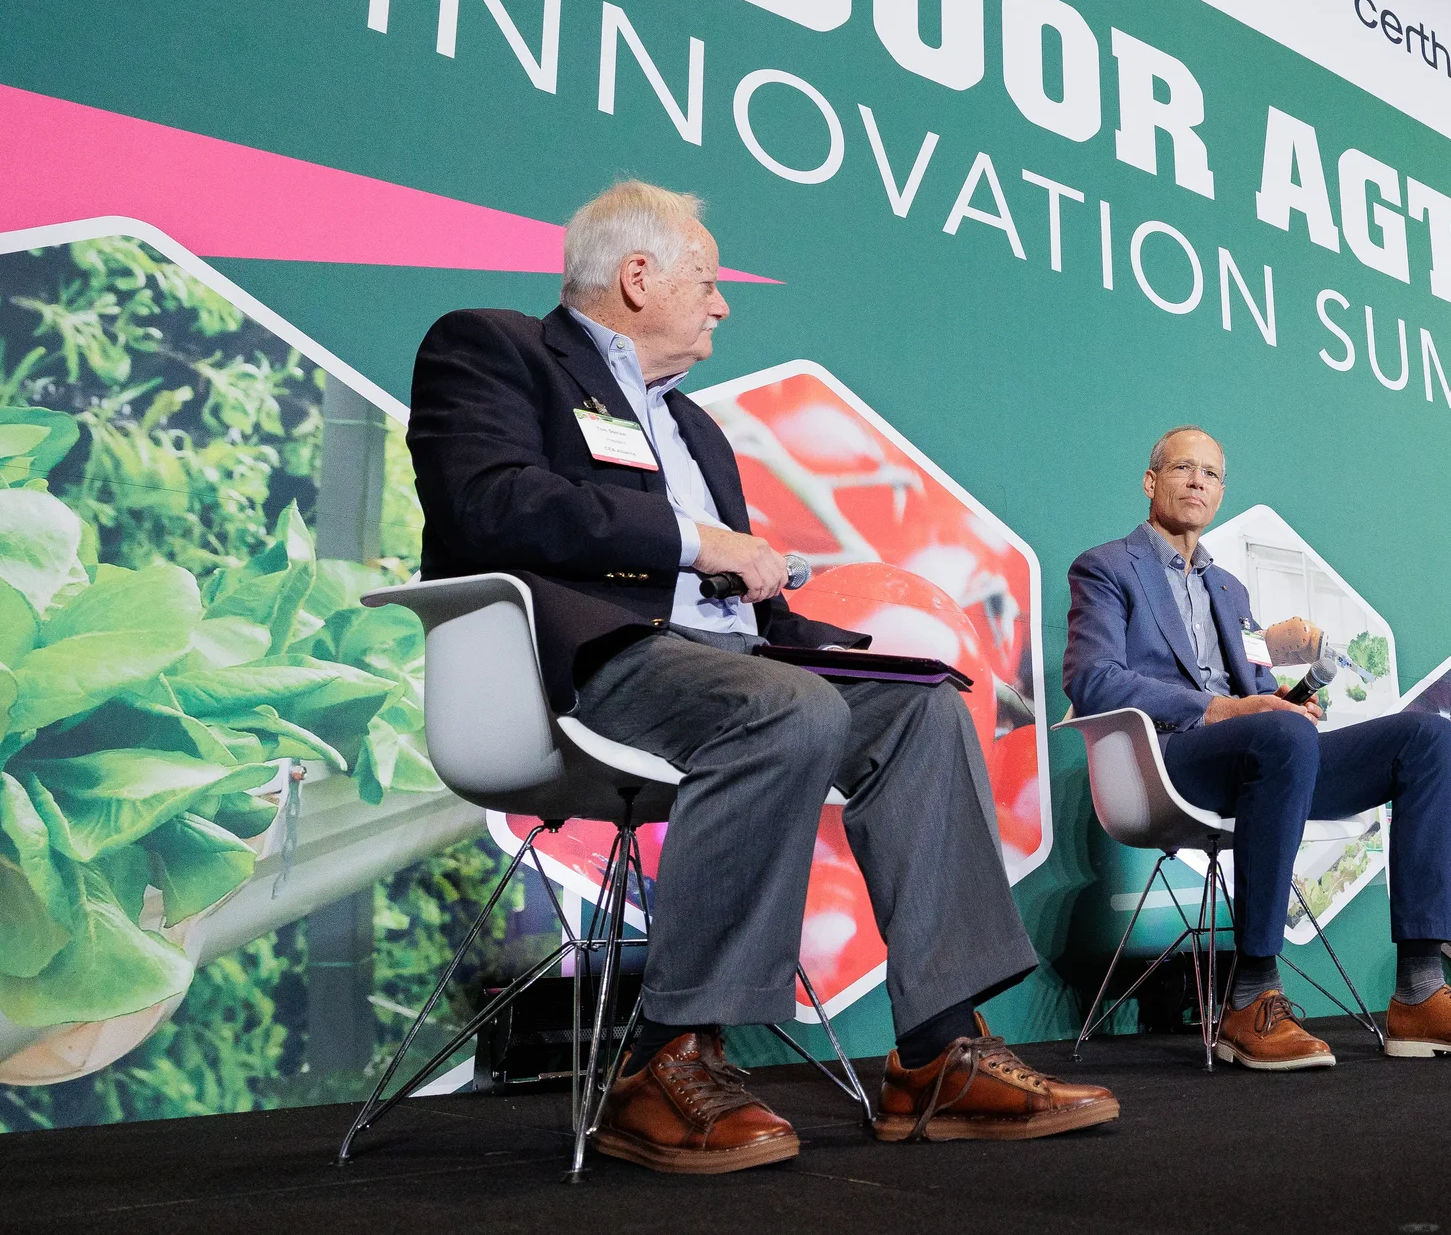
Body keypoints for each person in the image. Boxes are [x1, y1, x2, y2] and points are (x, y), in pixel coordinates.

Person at [407, 180, 1114, 1167]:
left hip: (735, 659)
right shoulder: (495, 346)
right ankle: (668, 1056)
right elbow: (489, 504)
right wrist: (702, 542)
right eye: (708, 278)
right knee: (784, 709)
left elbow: (741, 596)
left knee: (926, 710)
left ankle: (937, 1052)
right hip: (586, 659)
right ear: (638, 275)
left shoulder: (693, 425)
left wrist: (798, 618)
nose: (724, 302)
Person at [1063, 426, 1451, 1069]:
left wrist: (1284, 701)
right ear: (1151, 482)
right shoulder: (1105, 567)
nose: (1199, 482)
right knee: (1282, 732)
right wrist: (1221, 708)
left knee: (1425, 736)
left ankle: (1421, 994)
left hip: (1265, 755)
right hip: (1167, 762)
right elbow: (1092, 680)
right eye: (1184, 468)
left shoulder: (1228, 589)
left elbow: (1259, 691)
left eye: (1212, 473)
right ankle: (1251, 994)